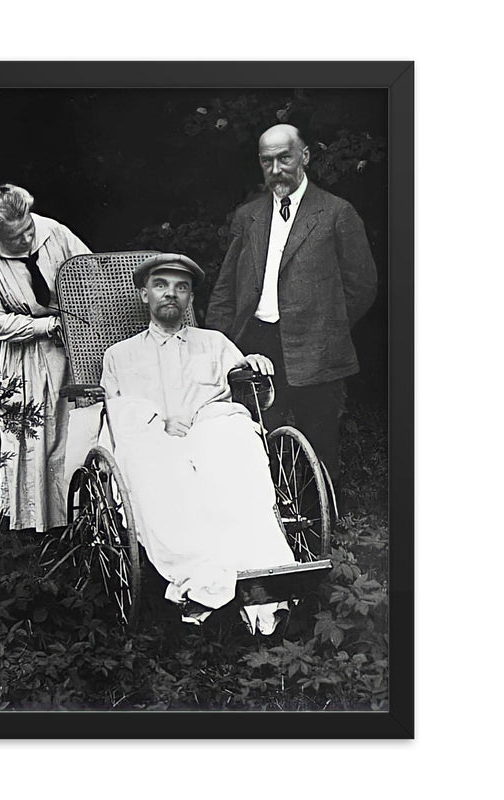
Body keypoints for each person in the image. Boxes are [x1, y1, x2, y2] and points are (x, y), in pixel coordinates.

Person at [100, 253, 296, 634]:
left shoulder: (215, 344)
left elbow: (251, 389)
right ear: (144, 294)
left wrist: (254, 364)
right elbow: (117, 413)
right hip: (154, 440)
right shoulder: (120, 356)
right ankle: (203, 578)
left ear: (190, 298)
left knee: (236, 443)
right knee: (154, 466)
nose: (170, 294)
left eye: (181, 287)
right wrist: (158, 421)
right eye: (160, 285)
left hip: (210, 436)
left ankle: (268, 575)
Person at [205, 124, 377, 482]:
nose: (276, 169)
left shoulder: (336, 212)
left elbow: (362, 285)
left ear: (305, 156)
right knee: (255, 441)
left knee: (319, 448)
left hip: (317, 348)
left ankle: (320, 518)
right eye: (266, 161)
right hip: (256, 345)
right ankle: (265, 514)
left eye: (284, 158)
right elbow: (226, 288)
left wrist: (327, 328)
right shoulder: (248, 216)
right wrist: (221, 345)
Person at [0, 183, 91, 532]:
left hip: (73, 346)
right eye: (15, 238)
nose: (26, 239)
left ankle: (82, 518)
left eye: (27, 229)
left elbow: (90, 272)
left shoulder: (53, 231)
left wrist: (76, 320)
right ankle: (38, 526)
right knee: (34, 435)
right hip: (26, 354)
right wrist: (43, 326)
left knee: (73, 429)